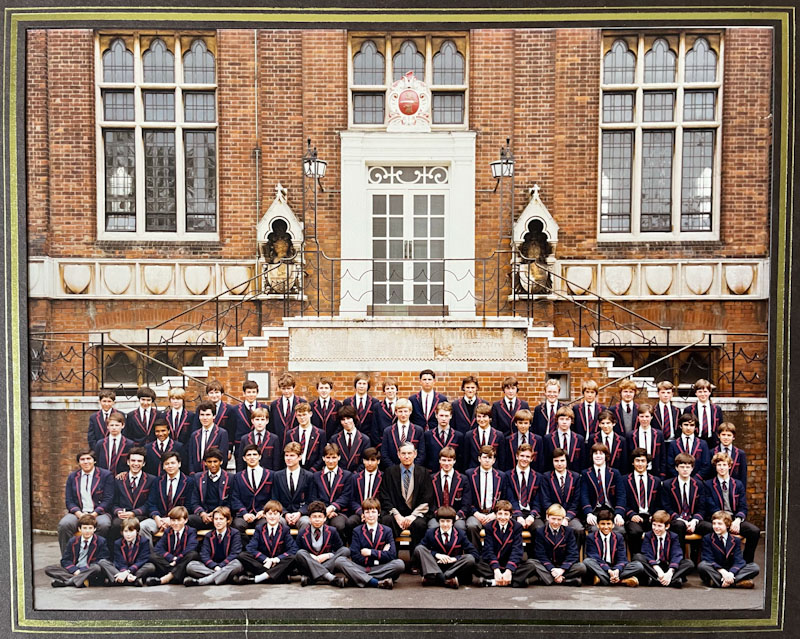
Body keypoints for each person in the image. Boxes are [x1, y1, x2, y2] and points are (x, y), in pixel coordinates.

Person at [334, 498, 404, 589]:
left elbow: (392, 555)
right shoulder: (357, 531)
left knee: (399, 564)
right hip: (362, 567)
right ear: (363, 514)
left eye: (373, 512)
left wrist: (370, 552)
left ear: (378, 513)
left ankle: (357, 578)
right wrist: (381, 553)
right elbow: (355, 556)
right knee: (340, 561)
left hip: (380, 567)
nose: (370, 515)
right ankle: (376, 582)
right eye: (367, 512)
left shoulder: (387, 530)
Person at [704, 452, 760, 563]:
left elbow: (743, 506)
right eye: (719, 465)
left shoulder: (738, 484)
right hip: (717, 520)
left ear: (729, 466)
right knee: (710, 529)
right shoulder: (708, 484)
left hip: (734, 520)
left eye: (724, 465)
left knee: (754, 531)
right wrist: (723, 522)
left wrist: (737, 520)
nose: (722, 468)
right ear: (715, 467)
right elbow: (711, 506)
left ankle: (746, 563)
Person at [379, 441, 434, 553]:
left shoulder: (423, 473)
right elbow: (385, 497)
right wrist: (397, 515)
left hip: (416, 514)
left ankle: (416, 560)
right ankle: (391, 557)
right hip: (396, 513)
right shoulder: (389, 472)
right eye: (403, 453)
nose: (406, 456)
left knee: (420, 524)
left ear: (415, 454)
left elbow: (427, 497)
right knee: (386, 520)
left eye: (409, 453)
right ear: (398, 455)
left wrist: (412, 516)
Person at [58, 449, 114, 553]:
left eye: (89, 459)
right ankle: (68, 557)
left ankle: (92, 555)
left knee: (104, 524)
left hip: (99, 513)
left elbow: (108, 499)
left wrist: (94, 514)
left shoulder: (106, 475)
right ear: (79, 462)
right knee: (64, 524)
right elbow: (69, 500)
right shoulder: (73, 477)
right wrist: (79, 514)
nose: (86, 462)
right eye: (82, 459)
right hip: (79, 513)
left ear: (94, 461)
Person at [413, 506, 479, 589]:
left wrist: (455, 559)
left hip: (453, 568)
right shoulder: (431, 533)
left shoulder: (460, 534)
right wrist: (437, 555)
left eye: (448, 521)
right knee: (419, 549)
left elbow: (475, 554)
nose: (445, 524)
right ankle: (445, 580)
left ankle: (436, 579)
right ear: (438, 522)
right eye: (442, 521)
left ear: (452, 522)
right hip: (436, 565)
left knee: (470, 558)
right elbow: (419, 548)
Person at [476, 500, 537, 587]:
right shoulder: (489, 527)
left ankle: (493, 582)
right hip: (493, 564)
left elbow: (517, 550)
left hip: (509, 563)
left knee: (531, 566)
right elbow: (488, 550)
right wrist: (496, 569)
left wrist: (509, 570)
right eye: (500, 514)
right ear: (496, 515)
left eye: (506, 514)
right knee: (476, 564)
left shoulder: (517, 527)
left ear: (511, 515)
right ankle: (514, 581)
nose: (503, 517)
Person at [235, 500, 297, 584]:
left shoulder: (285, 530)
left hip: (277, 562)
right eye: (270, 514)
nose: (272, 517)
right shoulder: (260, 529)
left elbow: (293, 549)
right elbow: (250, 548)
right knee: (242, 555)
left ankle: (260, 578)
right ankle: (279, 577)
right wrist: (266, 559)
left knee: (293, 558)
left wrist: (277, 559)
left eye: (275, 514)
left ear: (281, 515)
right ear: (265, 515)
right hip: (264, 563)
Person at [140, 451, 194, 543]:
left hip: (179, 520)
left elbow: (189, 505)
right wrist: (156, 517)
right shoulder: (158, 481)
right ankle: (150, 555)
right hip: (160, 519)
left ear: (179, 464)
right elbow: (151, 503)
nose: (170, 466)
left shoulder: (189, 482)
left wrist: (172, 519)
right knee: (143, 526)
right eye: (167, 464)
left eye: (173, 463)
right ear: (163, 466)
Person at [697, 510, 759, 588]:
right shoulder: (707, 538)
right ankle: (736, 582)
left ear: (727, 525)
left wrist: (731, 573)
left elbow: (739, 560)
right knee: (702, 566)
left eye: (719, 524)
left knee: (754, 567)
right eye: (714, 523)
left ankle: (721, 582)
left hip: (730, 569)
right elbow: (708, 558)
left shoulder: (735, 540)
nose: (716, 526)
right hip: (716, 569)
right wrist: (723, 572)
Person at [660, 453, 712, 547]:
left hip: (693, 519)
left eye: (688, 467)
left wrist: (695, 520)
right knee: (679, 526)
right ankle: (681, 559)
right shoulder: (668, 484)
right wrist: (680, 519)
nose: (685, 470)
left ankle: (701, 559)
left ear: (692, 468)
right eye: (682, 467)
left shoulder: (699, 484)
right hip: (676, 520)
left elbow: (702, 507)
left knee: (709, 527)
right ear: (676, 468)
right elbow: (666, 507)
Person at [183, 506, 244, 586]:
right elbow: (204, 554)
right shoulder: (209, 535)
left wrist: (221, 566)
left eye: (221, 519)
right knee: (191, 565)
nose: (218, 522)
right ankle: (225, 577)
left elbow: (235, 553)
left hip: (228, 565)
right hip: (213, 566)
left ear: (228, 520)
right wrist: (215, 567)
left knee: (237, 564)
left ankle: (202, 581)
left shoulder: (234, 533)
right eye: (216, 519)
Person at [139, 506, 199, 586]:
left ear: (185, 520)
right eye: (173, 520)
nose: (175, 523)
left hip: (182, 559)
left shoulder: (191, 531)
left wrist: (178, 559)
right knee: (152, 556)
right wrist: (172, 558)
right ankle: (176, 575)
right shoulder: (168, 531)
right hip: (172, 562)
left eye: (179, 520)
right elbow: (158, 548)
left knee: (193, 554)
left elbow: (191, 548)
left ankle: (167, 578)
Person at [632, 510, 694, 588]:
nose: (656, 528)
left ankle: (657, 580)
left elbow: (677, 554)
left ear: (667, 526)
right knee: (637, 557)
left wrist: (670, 572)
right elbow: (647, 553)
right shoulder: (648, 536)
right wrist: (658, 570)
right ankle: (672, 581)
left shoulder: (673, 537)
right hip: (654, 567)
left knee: (689, 563)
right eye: (654, 525)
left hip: (668, 566)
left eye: (659, 526)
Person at [294, 500, 349, 587]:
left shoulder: (332, 531)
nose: (317, 519)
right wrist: (311, 556)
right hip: (310, 563)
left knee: (345, 550)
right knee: (300, 553)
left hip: (327, 562)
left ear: (325, 518)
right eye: (314, 517)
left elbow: (340, 548)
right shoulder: (303, 532)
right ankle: (330, 578)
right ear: (309, 518)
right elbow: (296, 550)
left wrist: (328, 555)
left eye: (320, 516)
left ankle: (312, 578)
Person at [583, 508, 643, 587]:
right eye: (602, 524)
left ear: (613, 525)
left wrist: (617, 570)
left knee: (638, 566)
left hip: (615, 567)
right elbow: (594, 557)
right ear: (597, 525)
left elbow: (622, 558)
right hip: (600, 566)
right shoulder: (591, 537)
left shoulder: (619, 537)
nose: (606, 527)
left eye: (608, 524)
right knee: (587, 561)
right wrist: (608, 570)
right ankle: (621, 581)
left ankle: (604, 580)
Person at [46, 514, 109, 588]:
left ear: (94, 529)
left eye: (90, 528)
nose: (87, 531)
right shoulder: (73, 541)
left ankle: (68, 581)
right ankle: (82, 580)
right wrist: (74, 570)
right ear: (79, 529)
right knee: (49, 569)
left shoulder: (101, 541)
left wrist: (82, 570)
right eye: (84, 528)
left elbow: (102, 560)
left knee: (97, 568)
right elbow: (65, 560)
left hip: (89, 570)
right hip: (75, 569)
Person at [531, 504, 586, 586]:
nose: (556, 522)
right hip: (547, 566)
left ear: (563, 519)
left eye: (559, 519)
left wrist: (562, 570)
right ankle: (566, 580)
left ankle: (547, 579)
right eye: (553, 519)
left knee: (581, 567)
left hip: (562, 565)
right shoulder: (540, 531)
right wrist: (552, 569)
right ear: (547, 517)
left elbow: (573, 553)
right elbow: (540, 554)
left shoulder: (569, 531)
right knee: (532, 563)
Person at [110, 446, 155, 544]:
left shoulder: (151, 480)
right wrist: (118, 512)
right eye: (133, 460)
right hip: (122, 515)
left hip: (141, 515)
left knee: (138, 525)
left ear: (143, 463)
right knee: (116, 525)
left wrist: (134, 513)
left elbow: (150, 503)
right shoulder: (119, 479)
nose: (135, 464)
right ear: (128, 462)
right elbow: (114, 502)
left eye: (139, 461)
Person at [465, 445, 507, 549]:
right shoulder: (470, 474)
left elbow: (504, 498)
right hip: (476, 513)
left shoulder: (501, 476)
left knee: (500, 525)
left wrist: (495, 514)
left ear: (494, 460)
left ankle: (494, 556)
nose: (487, 460)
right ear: (479, 458)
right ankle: (476, 556)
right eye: (484, 457)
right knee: (471, 526)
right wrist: (476, 513)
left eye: (490, 458)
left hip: (494, 514)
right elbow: (467, 499)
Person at [623, 447, 662, 556]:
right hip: (634, 517)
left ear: (647, 463)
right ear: (632, 462)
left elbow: (660, 503)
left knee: (660, 529)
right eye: (637, 461)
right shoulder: (625, 480)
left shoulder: (656, 481)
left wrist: (655, 515)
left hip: (651, 517)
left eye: (643, 461)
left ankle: (656, 560)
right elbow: (621, 502)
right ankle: (638, 559)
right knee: (635, 531)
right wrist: (631, 514)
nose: (640, 464)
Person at [311, 443, 353, 541]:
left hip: (339, 512)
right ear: (323, 458)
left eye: (334, 457)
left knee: (339, 525)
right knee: (318, 525)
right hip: (320, 512)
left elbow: (346, 496)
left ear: (339, 457)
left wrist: (332, 508)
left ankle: (339, 550)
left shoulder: (346, 475)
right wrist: (324, 511)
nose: (330, 461)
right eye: (328, 457)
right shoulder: (316, 476)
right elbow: (313, 497)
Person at [580, 443, 626, 534]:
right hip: (594, 511)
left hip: (611, 510)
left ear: (606, 456)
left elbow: (621, 495)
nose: (598, 456)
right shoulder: (586, 474)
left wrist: (619, 514)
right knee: (594, 530)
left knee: (620, 530)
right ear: (592, 456)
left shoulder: (615, 473)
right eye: (595, 453)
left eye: (601, 453)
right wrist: (588, 513)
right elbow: (584, 495)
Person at [541, 448, 584, 542]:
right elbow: (545, 501)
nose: (559, 464)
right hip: (552, 516)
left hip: (570, 516)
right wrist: (558, 517)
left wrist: (567, 517)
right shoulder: (546, 477)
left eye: (562, 460)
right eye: (556, 461)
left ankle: (574, 556)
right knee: (545, 529)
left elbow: (576, 502)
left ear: (567, 461)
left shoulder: (576, 477)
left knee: (578, 529)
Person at [270, 442, 314, 531]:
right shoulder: (277, 475)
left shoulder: (309, 476)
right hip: (282, 514)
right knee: (276, 521)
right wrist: (285, 513)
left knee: (306, 522)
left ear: (299, 457)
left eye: (292, 455)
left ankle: (301, 545)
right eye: (286, 455)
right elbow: (275, 499)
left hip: (301, 514)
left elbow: (311, 500)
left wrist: (300, 513)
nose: (288, 458)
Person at [231, 443, 273, 535]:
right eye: (248, 455)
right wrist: (244, 513)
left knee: (265, 525)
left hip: (262, 514)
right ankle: (243, 549)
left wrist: (264, 511)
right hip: (244, 515)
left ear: (260, 457)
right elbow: (235, 497)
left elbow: (273, 497)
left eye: (255, 454)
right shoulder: (238, 477)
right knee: (237, 525)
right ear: (244, 458)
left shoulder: (270, 475)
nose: (252, 457)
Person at [187, 447, 232, 530]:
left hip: (222, 516)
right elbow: (194, 501)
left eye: (215, 461)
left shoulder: (230, 478)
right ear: (205, 463)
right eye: (209, 462)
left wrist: (216, 513)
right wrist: (202, 513)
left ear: (221, 462)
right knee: (188, 520)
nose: (212, 465)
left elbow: (231, 501)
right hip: (204, 516)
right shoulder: (198, 477)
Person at [504, 443, 544, 534]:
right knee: (512, 528)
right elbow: (510, 498)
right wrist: (518, 515)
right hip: (513, 513)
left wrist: (532, 516)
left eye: (527, 456)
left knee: (539, 529)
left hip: (531, 513)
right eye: (522, 456)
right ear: (517, 456)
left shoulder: (538, 477)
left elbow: (538, 500)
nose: (524, 459)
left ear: (531, 459)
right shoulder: (507, 476)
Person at [98, 517, 150, 586]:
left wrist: (128, 572)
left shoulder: (144, 541)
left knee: (150, 566)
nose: (128, 534)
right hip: (122, 569)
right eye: (126, 531)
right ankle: (132, 581)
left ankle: (121, 580)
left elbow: (142, 559)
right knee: (103, 562)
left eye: (131, 531)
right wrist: (124, 572)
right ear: (122, 532)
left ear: (137, 531)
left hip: (136, 568)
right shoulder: (118, 543)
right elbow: (119, 561)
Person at [429, 446, 468, 534]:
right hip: (437, 516)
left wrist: (456, 516)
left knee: (460, 527)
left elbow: (466, 504)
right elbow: (430, 502)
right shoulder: (432, 479)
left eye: (449, 460)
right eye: (444, 460)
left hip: (456, 517)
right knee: (433, 526)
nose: (446, 463)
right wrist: (439, 516)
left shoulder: (463, 479)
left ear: (454, 461)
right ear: (439, 460)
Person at [345, 447, 383, 536]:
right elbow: (352, 499)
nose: (369, 463)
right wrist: (361, 512)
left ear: (378, 461)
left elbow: (385, 499)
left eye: (373, 460)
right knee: (350, 522)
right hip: (360, 512)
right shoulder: (355, 477)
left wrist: (373, 513)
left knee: (386, 522)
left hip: (377, 513)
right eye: (367, 460)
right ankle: (353, 548)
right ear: (363, 461)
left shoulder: (384, 477)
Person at [186, 401, 229, 474]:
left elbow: (223, 457)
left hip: (213, 474)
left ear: (214, 416)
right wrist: (192, 473)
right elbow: (191, 458)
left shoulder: (221, 433)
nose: (205, 418)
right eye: (202, 415)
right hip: (197, 475)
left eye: (208, 415)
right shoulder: (195, 435)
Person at [381, 398, 425, 468]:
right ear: (396, 412)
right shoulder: (388, 431)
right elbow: (384, 453)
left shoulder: (418, 430)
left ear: (410, 411)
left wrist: (412, 468)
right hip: (393, 471)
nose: (403, 414)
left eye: (405, 411)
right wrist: (395, 469)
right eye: (400, 411)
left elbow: (421, 453)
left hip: (413, 470)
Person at [283, 402, 326, 471]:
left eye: (304, 414)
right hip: (295, 471)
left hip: (313, 472)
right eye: (299, 415)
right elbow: (286, 453)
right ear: (296, 416)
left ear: (310, 414)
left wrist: (313, 470)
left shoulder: (320, 433)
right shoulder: (290, 434)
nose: (302, 418)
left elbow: (322, 456)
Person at [625, 403, 665, 477]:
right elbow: (627, 456)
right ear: (638, 417)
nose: (644, 419)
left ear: (651, 417)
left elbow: (662, 456)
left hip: (654, 470)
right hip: (636, 471)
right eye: (642, 416)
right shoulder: (630, 435)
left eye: (647, 416)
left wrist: (662, 474)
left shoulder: (659, 434)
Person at [236, 407, 281, 472]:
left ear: (267, 421)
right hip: (249, 474)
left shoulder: (274, 438)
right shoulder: (245, 439)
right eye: (257, 419)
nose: (260, 423)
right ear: (252, 421)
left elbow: (276, 461)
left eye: (262, 419)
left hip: (268, 475)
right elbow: (240, 461)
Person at [666, 413, 711, 478]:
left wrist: (695, 479)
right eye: (686, 425)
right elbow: (670, 465)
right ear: (680, 426)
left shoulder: (702, 444)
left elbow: (706, 465)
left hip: (697, 481)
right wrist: (680, 478)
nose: (688, 428)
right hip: (678, 480)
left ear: (695, 427)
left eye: (692, 425)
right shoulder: (673, 444)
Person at [683, 378, 723, 449]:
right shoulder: (689, 409)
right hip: (696, 441)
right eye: (700, 391)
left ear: (709, 392)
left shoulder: (717, 409)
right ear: (696, 393)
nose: (703, 394)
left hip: (712, 442)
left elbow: (720, 427)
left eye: (705, 391)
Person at [423, 403, 464, 471]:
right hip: (432, 474)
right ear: (436, 415)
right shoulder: (427, 435)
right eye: (441, 415)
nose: (444, 419)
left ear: (450, 416)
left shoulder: (458, 436)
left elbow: (461, 459)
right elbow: (425, 457)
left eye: (446, 416)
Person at [502, 408, 544, 473]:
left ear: (530, 424)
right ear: (516, 423)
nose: (523, 426)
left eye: (526, 423)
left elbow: (540, 462)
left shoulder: (538, 439)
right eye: (520, 423)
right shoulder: (509, 440)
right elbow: (506, 461)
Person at [463, 404, 503, 471]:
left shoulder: (499, 435)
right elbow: (466, 458)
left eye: (484, 416)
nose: (481, 420)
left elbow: (502, 459)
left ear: (490, 418)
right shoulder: (469, 435)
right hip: (474, 472)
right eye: (479, 416)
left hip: (493, 472)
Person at [343, 372, 380, 445]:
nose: (361, 386)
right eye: (359, 383)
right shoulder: (347, 402)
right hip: (352, 439)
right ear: (355, 385)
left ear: (368, 386)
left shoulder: (375, 402)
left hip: (369, 440)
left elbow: (375, 424)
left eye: (364, 384)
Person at [543, 406, 585, 472]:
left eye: (567, 419)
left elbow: (582, 461)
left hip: (574, 476)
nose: (564, 422)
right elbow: (546, 461)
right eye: (562, 419)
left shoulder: (579, 439)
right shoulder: (548, 438)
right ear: (557, 420)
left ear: (572, 421)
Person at [269, 372, 307, 443]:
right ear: (280, 388)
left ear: (294, 388)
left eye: (289, 388)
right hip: (279, 442)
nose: (286, 391)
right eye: (283, 388)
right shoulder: (274, 405)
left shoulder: (302, 403)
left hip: (296, 442)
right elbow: (271, 426)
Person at [331, 405, 369, 472]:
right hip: (340, 477)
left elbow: (365, 461)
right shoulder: (335, 439)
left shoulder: (365, 440)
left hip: (357, 477)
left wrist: (354, 475)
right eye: (343, 419)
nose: (346, 422)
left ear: (354, 418)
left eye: (348, 418)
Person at [232, 379, 268, 452]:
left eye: (253, 392)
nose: (251, 395)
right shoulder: (235, 409)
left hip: (260, 445)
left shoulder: (264, 408)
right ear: (244, 393)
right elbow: (232, 429)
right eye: (248, 392)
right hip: (241, 446)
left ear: (257, 393)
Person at [94, 411, 133, 475]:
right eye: (111, 425)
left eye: (117, 425)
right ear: (107, 426)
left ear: (123, 426)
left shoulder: (129, 444)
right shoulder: (100, 444)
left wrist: (126, 473)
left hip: (121, 478)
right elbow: (97, 462)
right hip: (104, 478)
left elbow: (131, 462)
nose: (114, 428)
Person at [709, 422, 748, 486]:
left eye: (729, 435)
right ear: (719, 435)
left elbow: (743, 475)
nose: (726, 438)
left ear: (733, 437)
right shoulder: (712, 452)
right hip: (717, 488)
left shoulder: (740, 454)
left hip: (735, 488)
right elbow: (710, 474)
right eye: (723, 435)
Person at [197, 379, 232, 448]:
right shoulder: (201, 408)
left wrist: (229, 448)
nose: (214, 395)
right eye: (211, 393)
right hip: (205, 441)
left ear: (222, 394)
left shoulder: (229, 409)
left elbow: (231, 430)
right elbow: (196, 427)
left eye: (216, 392)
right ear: (207, 394)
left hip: (221, 442)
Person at [310, 376, 343, 441]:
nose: (324, 390)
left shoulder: (338, 405)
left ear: (330, 390)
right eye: (321, 388)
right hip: (316, 441)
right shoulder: (311, 406)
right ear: (317, 390)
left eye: (326, 388)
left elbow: (340, 424)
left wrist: (333, 439)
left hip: (333, 441)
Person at [374, 377, 399, 445]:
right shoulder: (377, 407)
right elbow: (374, 428)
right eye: (387, 388)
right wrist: (379, 445)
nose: (390, 391)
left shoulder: (402, 405)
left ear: (396, 390)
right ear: (384, 391)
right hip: (383, 442)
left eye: (392, 388)